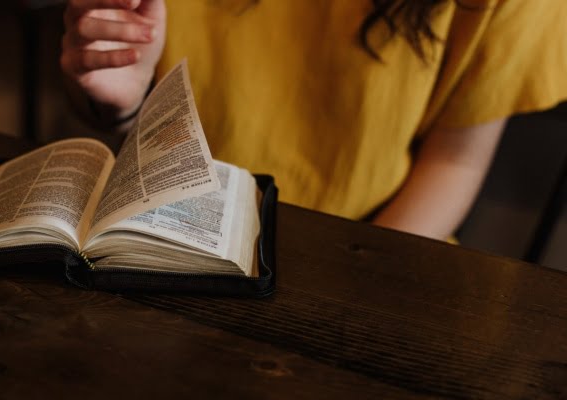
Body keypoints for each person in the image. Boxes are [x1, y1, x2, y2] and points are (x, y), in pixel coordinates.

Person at [60, 0, 567, 240]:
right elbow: (114, 114)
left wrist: (354, 277)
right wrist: (121, 99)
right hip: (165, 232)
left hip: (373, 245)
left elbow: (456, 161)